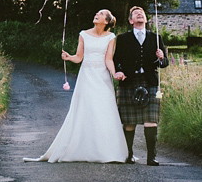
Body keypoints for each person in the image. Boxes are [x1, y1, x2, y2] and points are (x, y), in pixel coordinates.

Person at [24, 9, 128, 163]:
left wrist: (114, 73)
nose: (96, 14)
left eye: (100, 13)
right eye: (96, 13)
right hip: (86, 76)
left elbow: (108, 59)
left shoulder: (111, 37)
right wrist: (68, 57)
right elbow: (79, 58)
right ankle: (81, 148)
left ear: (106, 21)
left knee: (104, 110)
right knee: (85, 109)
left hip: (102, 77)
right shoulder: (83, 34)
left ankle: (106, 150)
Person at [111, 6, 169, 165]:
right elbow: (116, 60)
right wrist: (119, 71)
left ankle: (151, 157)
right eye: (136, 14)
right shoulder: (122, 38)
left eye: (142, 13)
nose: (139, 15)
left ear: (146, 19)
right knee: (129, 122)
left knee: (151, 121)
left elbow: (164, 63)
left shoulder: (156, 38)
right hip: (128, 82)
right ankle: (128, 154)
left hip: (149, 82)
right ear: (131, 20)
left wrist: (162, 57)